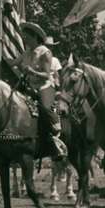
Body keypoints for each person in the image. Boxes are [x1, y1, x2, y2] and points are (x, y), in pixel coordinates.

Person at [12, 22, 68, 159]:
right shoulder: (26, 53)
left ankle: (55, 137)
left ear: (34, 37)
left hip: (44, 86)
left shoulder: (45, 53)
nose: (25, 39)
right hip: (29, 86)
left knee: (44, 108)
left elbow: (47, 75)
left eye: (27, 37)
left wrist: (32, 71)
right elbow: (13, 63)